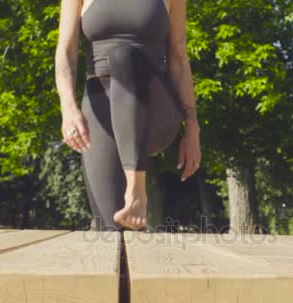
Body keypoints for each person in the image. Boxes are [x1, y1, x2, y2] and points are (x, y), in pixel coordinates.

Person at [55, 0, 202, 231]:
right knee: (110, 227)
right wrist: (68, 108)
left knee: (124, 53)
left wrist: (192, 127)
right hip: (100, 103)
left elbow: (179, 55)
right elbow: (65, 51)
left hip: (155, 105)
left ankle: (136, 193)